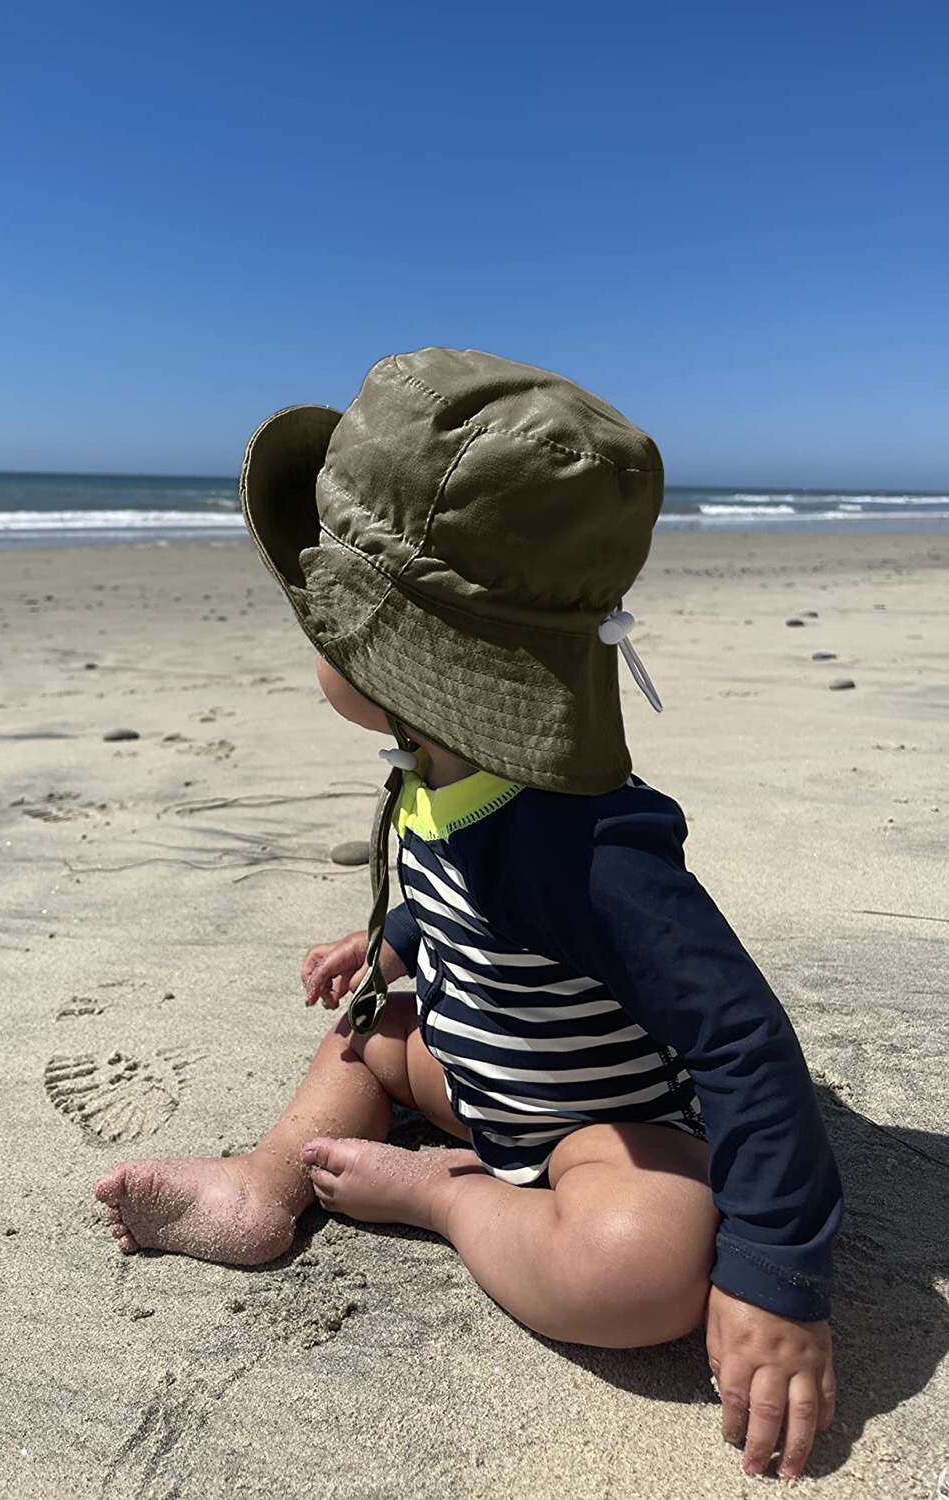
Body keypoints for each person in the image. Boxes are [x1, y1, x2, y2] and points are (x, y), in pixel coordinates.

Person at [93, 348, 843, 1481]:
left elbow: (742, 1039)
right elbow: (452, 897)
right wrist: (386, 942)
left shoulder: (590, 848)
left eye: (329, 620)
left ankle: (445, 1199)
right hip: (478, 1069)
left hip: (604, 1131)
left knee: (640, 1272)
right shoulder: (427, 769)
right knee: (372, 1028)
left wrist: (777, 1274)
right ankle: (267, 1178)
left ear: (403, 662)